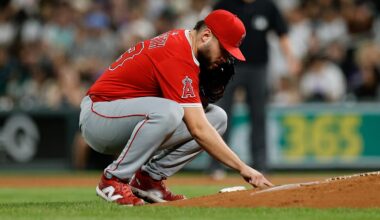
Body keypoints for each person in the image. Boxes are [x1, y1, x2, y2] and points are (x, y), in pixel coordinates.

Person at [78, 9, 273, 206]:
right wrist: (243, 167)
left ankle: (149, 180)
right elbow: (198, 129)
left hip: (125, 118)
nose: (225, 58)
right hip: (99, 115)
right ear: (206, 36)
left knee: (217, 118)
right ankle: (113, 180)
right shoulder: (177, 52)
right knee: (170, 112)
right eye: (224, 50)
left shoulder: (187, 48)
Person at [210, 0, 300, 174]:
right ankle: (216, 165)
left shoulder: (267, 6)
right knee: (222, 115)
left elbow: (281, 33)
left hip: (258, 68)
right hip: (228, 66)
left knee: (259, 116)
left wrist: (290, 58)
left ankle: (260, 164)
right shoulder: (224, 4)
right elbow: (209, 32)